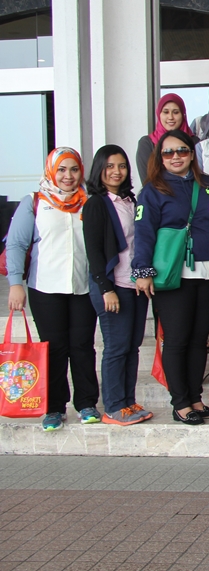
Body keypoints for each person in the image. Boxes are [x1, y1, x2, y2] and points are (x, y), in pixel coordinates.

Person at [6, 147, 99, 431]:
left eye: (74, 169)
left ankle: (86, 404)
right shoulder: (34, 202)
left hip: (83, 287)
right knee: (54, 348)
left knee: (82, 347)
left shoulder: (90, 202)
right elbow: (16, 244)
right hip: (45, 288)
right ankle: (54, 408)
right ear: (51, 171)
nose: (68, 176)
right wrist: (15, 284)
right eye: (61, 169)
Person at [132, 131, 209, 425]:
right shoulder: (152, 190)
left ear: (192, 154)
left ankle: (195, 398)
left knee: (199, 339)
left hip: (207, 271)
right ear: (160, 157)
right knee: (177, 339)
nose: (176, 157)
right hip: (172, 274)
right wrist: (142, 270)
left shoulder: (208, 185)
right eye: (168, 152)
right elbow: (143, 233)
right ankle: (180, 403)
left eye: (182, 150)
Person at [83, 145, 153, 426]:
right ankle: (113, 407)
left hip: (134, 284)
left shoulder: (129, 200)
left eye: (122, 166)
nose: (116, 171)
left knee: (132, 346)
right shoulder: (96, 204)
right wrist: (106, 288)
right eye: (110, 166)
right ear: (99, 169)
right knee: (116, 347)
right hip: (113, 286)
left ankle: (128, 402)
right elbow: (94, 251)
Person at [136, 94, 196, 184]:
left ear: (183, 115)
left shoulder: (194, 142)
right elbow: (147, 180)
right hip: (159, 192)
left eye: (176, 112)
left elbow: (198, 174)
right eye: (166, 112)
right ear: (159, 114)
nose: (170, 117)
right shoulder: (147, 143)